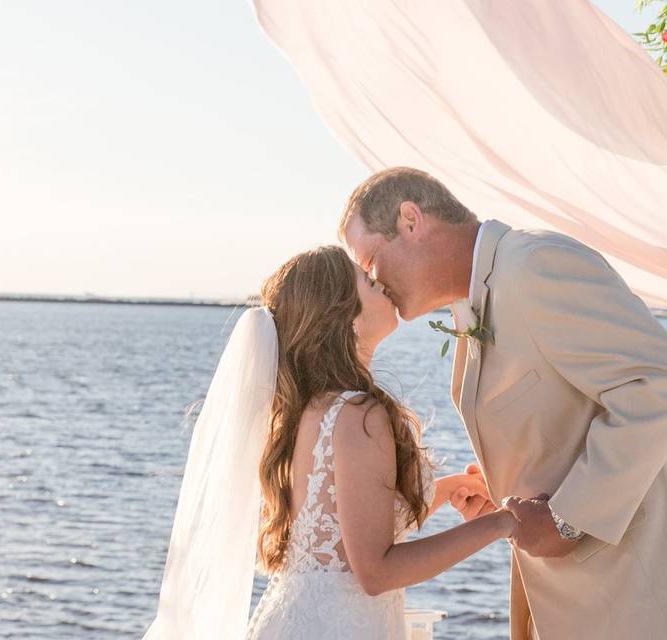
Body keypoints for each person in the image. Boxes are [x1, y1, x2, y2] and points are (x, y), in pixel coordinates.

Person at [340, 166, 667, 639]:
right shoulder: (469, 306)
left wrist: (566, 519)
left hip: (628, 598)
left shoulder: (536, 264)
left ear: (410, 221)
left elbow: (653, 386)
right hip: (562, 607)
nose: (374, 281)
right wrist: (507, 484)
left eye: (370, 260)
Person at [144, 245, 516, 640]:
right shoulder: (358, 414)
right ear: (344, 316)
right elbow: (376, 571)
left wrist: (450, 489)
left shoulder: (309, 409)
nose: (383, 285)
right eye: (370, 283)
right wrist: (505, 523)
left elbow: (341, 529)